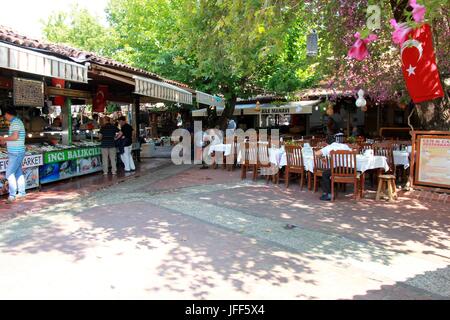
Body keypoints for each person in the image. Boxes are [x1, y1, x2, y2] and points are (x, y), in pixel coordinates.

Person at [0, 107, 26, 204]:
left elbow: (15, 137)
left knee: (9, 174)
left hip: (16, 152)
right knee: (18, 173)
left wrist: (4, 138)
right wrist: (6, 140)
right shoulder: (17, 122)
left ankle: (12, 195)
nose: (4, 117)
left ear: (7, 113)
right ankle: (22, 193)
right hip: (17, 152)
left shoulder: (15, 123)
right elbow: (15, 137)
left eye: (4, 115)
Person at [314, 134, 352, 201]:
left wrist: (322, 158)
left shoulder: (330, 147)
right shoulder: (346, 147)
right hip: (349, 170)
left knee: (325, 174)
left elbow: (316, 153)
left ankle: (328, 194)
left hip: (337, 170)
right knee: (328, 172)